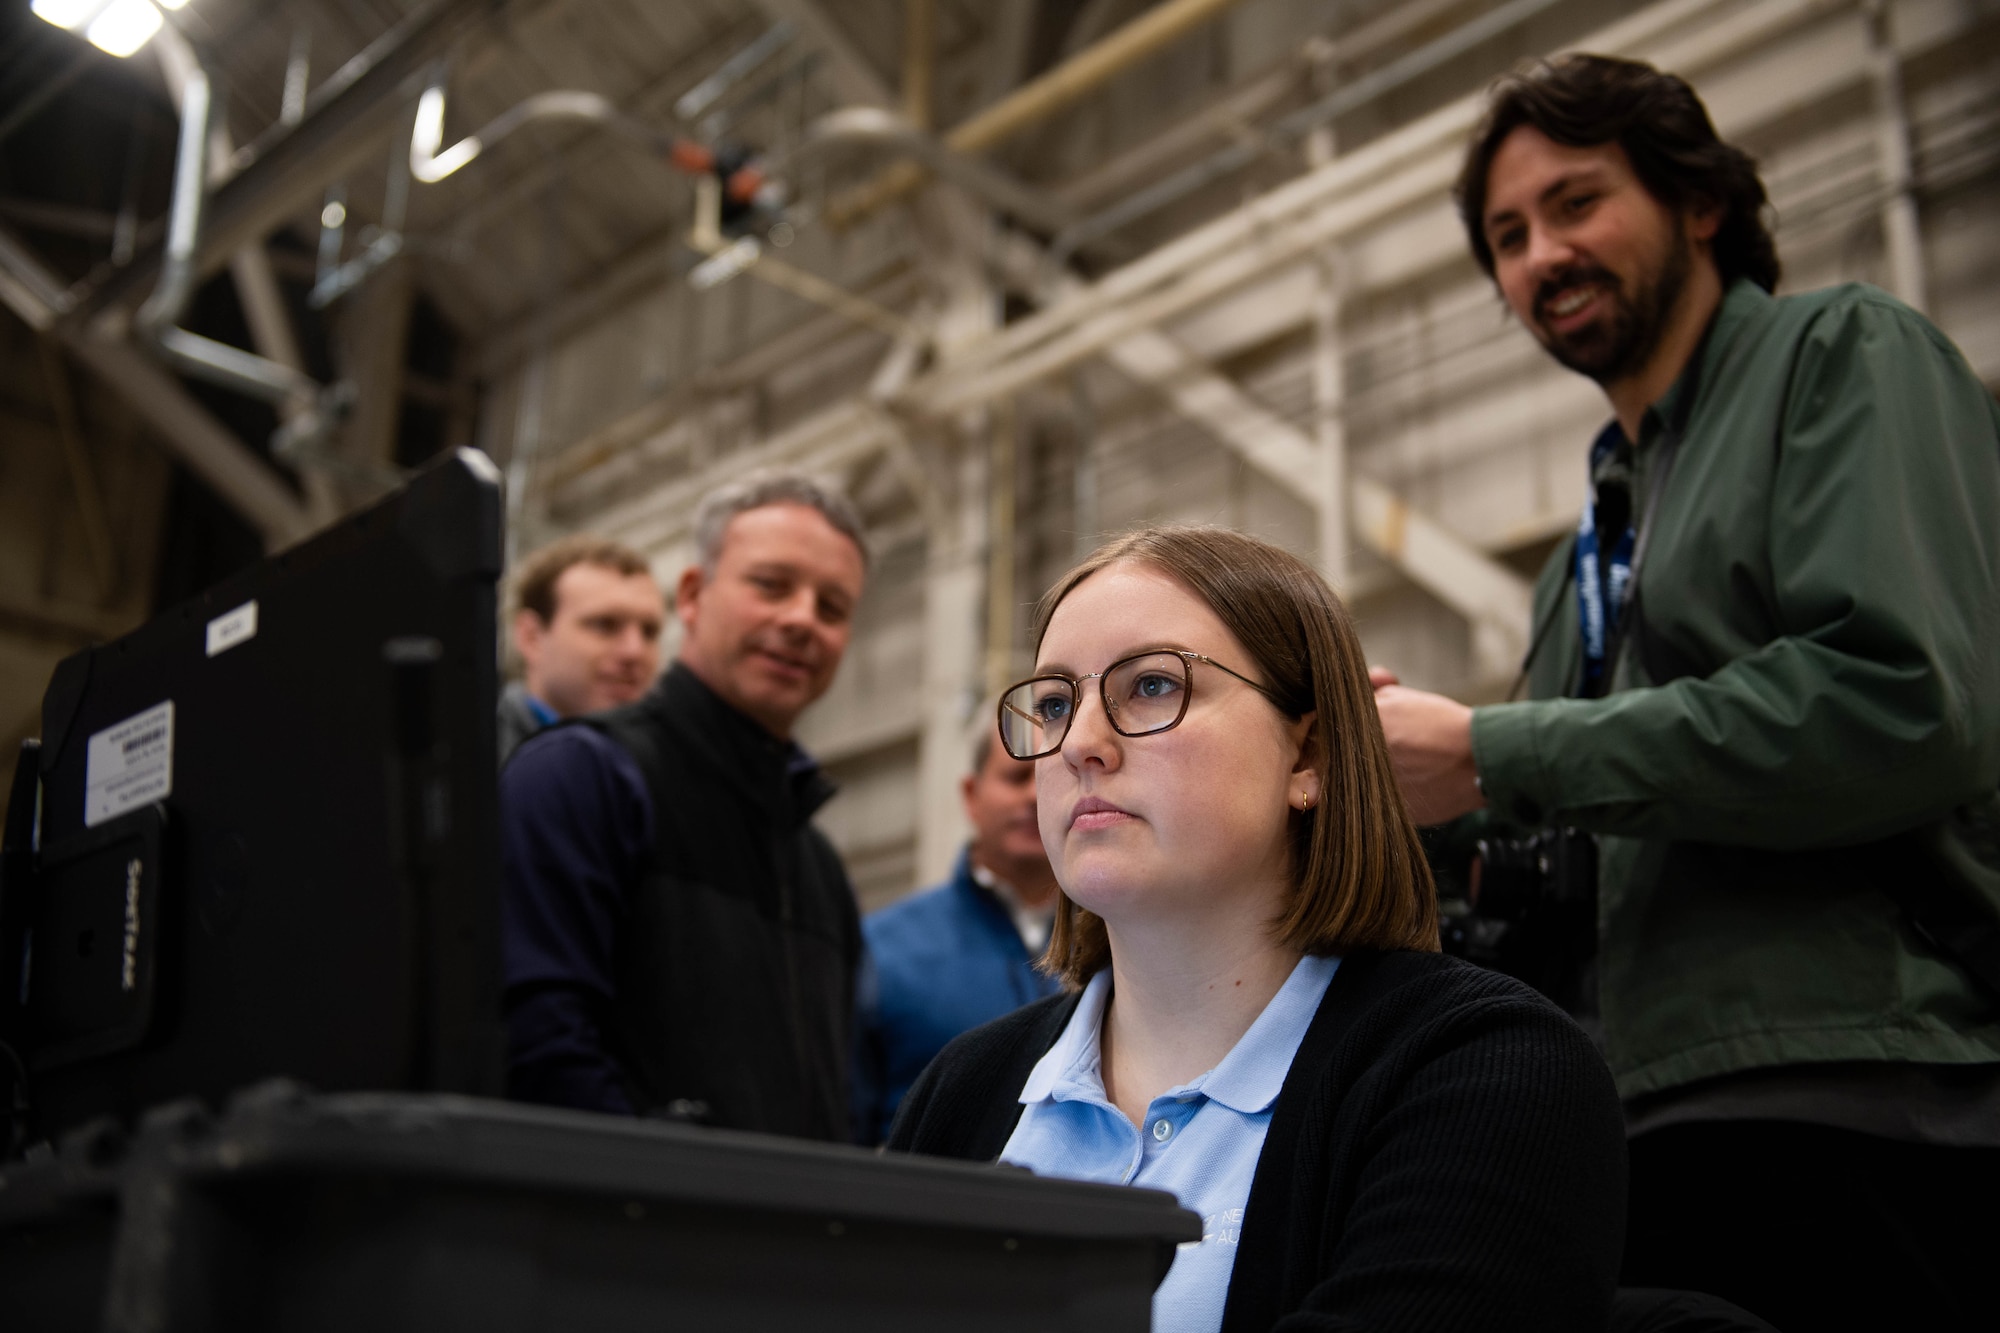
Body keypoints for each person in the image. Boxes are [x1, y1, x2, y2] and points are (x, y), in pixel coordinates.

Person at [1372, 54, 2000, 1330]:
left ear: (1698, 203)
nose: (1540, 254)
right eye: (1506, 236)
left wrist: (1492, 748)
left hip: (1854, 1094)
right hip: (1623, 1116)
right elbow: (1554, 822)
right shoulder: (1581, 554)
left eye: (1575, 202)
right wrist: (1385, 793)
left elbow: (1898, 703)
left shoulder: (1841, 358)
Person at [890, 526, 1629, 1333]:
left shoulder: (1492, 1072)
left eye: (1151, 686)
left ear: (1306, 755)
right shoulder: (961, 1091)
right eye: (1057, 703)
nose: (1082, 746)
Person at [499, 470, 870, 1140]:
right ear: (694, 595)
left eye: (832, 607)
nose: (801, 620)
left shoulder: (818, 866)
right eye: (771, 585)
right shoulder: (579, 778)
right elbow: (541, 1051)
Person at [853, 727, 1062, 1144]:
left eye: (1052, 777)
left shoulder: (1129, 947)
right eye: (1017, 777)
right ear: (971, 795)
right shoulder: (880, 949)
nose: (1034, 796)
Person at [498, 536, 666, 762]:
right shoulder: (470, 765)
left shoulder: (675, 765)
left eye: (649, 631)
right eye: (604, 625)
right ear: (532, 638)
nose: (634, 651)